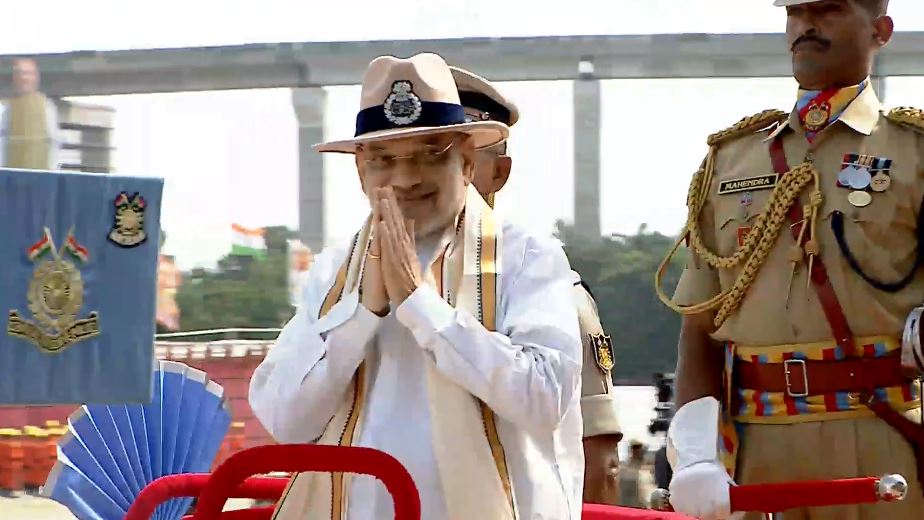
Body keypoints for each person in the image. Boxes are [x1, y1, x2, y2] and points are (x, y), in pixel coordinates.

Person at [249, 53, 584, 520]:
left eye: (431, 154)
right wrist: (362, 314)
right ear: (361, 170)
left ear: (467, 162)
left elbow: (545, 398)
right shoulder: (332, 272)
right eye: (384, 159)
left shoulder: (526, 257)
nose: (406, 179)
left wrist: (421, 306)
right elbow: (286, 419)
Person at [657, 1, 923, 518]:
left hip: (882, 436)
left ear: (881, 30)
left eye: (829, 10)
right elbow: (699, 330)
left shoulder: (913, 153)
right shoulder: (730, 159)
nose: (807, 24)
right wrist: (694, 456)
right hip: (756, 445)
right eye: (796, 13)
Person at [450, 65, 623, 505]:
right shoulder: (363, 280)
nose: (436, 174)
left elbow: (597, 462)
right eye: (419, 152)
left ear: (499, 173)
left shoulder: (550, 292)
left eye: (463, 157)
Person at [0, 58, 60, 170]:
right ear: (14, 78)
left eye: (28, 73)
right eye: (20, 73)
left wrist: (53, 172)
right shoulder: (7, 108)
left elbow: (54, 142)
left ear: (36, 77)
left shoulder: (47, 106)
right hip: (12, 176)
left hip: (40, 174)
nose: (24, 78)